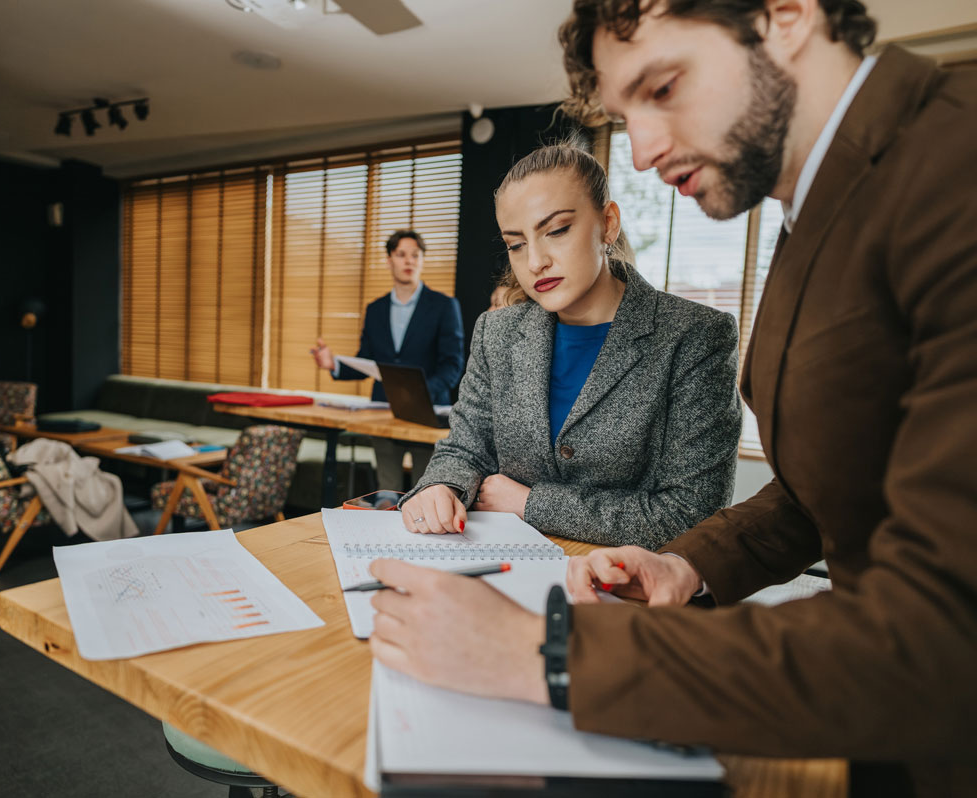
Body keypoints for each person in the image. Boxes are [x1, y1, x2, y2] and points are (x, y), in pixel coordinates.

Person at [368, 1, 977, 796]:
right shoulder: (814, 213)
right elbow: (819, 497)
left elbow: (946, 629)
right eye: (627, 114)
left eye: (663, 87)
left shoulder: (953, 165)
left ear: (786, 15)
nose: (646, 150)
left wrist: (545, 656)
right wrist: (687, 567)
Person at [398, 142, 742, 545]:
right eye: (516, 244)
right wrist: (441, 486)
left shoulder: (695, 335)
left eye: (557, 230)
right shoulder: (497, 333)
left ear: (608, 223)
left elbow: (692, 514)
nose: (535, 262)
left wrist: (531, 504)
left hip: (627, 591)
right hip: (498, 573)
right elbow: (465, 449)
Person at [311, 229, 464, 490]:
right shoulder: (375, 309)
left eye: (415, 255)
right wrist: (334, 364)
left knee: (424, 493)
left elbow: (453, 365)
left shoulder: (444, 306)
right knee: (386, 494)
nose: (409, 261)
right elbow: (367, 362)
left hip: (427, 416)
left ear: (422, 260)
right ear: (389, 260)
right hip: (382, 413)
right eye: (401, 254)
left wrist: (419, 393)